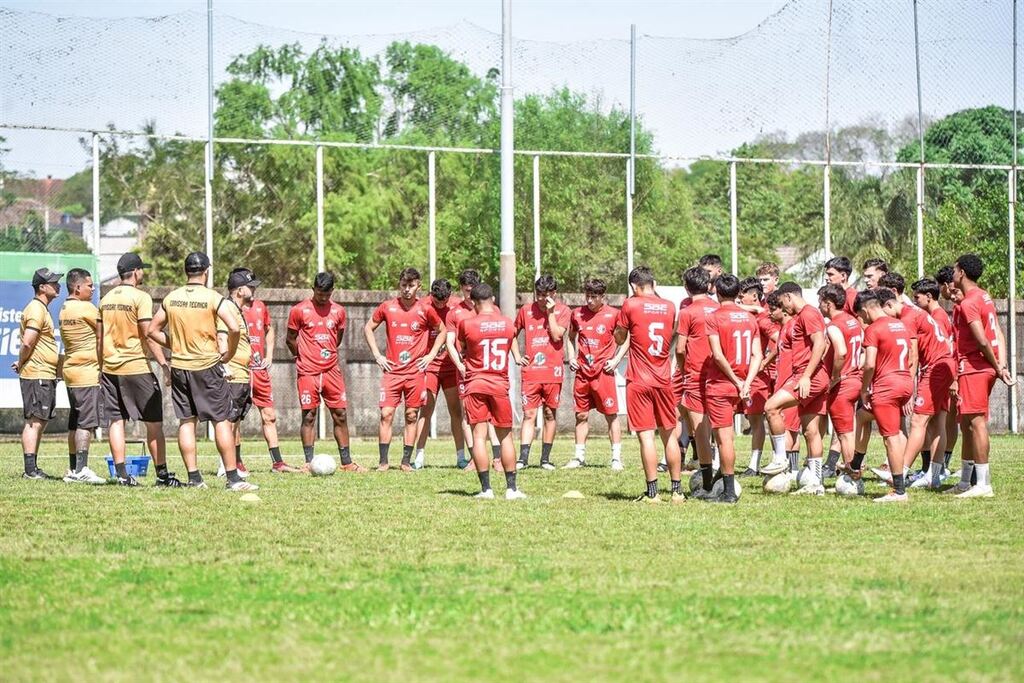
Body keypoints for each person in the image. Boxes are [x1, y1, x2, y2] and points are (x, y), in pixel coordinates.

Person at [148, 252, 257, 491]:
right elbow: (232, 326)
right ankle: (233, 478)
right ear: (206, 271)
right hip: (207, 367)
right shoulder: (212, 298)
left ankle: (195, 478)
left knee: (187, 421)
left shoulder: (172, 297)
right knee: (220, 421)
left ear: (186, 271)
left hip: (180, 367)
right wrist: (229, 352)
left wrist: (175, 344)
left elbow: (152, 331)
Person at [99, 253, 183, 488]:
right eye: (141, 270)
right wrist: (165, 363)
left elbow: (99, 337)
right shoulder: (141, 297)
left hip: (110, 368)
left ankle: (122, 475)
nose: (142, 273)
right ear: (135, 272)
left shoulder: (105, 299)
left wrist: (100, 366)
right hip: (136, 366)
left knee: (116, 421)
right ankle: (163, 476)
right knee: (154, 422)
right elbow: (149, 334)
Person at [450, 283, 527, 499]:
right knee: (505, 437)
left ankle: (486, 490)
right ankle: (512, 489)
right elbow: (509, 344)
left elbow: (463, 349)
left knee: (478, 436)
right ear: (493, 300)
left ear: (473, 302)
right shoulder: (507, 324)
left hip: (476, 384)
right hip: (499, 385)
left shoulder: (467, 324)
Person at [364, 268, 445, 472]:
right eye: (403, 285)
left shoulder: (426, 310)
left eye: (411, 286)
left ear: (419, 286)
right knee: (386, 413)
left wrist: (430, 355)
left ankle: (406, 461)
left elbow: (442, 331)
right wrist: (378, 355)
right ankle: (383, 462)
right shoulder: (387, 307)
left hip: (415, 373)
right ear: (399, 285)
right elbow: (368, 328)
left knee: (411, 415)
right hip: (392, 372)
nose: (407, 290)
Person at [613, 266, 683, 503]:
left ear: (634, 286)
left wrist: (622, 332)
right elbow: (671, 334)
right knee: (669, 435)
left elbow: (620, 337)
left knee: (646, 437)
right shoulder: (670, 306)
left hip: (639, 380)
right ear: (654, 283)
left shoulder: (631, 304)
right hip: (664, 379)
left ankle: (652, 493)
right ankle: (677, 491)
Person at [947, 254, 1014, 498]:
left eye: (955, 270)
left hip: (975, 367)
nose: (953, 274)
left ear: (962, 273)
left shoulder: (969, 302)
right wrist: (1002, 365)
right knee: (966, 424)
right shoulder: (983, 295)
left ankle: (983, 484)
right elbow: (997, 330)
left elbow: (983, 338)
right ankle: (965, 482)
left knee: (976, 423)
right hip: (980, 367)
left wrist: (998, 366)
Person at [286, 272, 362, 472]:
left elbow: (337, 338)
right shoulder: (299, 310)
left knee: (340, 414)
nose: (322, 298)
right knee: (309, 415)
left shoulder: (339, 311)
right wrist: (301, 357)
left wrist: (325, 354)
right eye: (319, 293)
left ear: (332, 292)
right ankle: (308, 462)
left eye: (326, 294)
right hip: (308, 372)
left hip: (331, 371)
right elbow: (290, 338)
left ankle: (347, 462)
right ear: (313, 290)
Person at [761, 282, 830, 494]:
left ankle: (781, 458)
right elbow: (824, 345)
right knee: (811, 431)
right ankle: (816, 483)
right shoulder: (802, 317)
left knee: (771, 407)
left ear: (789, 297)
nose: (783, 308)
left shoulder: (808, 313)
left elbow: (820, 343)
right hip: (812, 377)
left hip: (807, 378)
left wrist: (808, 375)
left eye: (782, 303)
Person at [234, 268, 303, 473]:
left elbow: (269, 328)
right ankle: (236, 463)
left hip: (260, 371)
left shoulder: (261, 307)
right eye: (251, 286)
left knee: (269, 415)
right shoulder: (228, 308)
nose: (254, 290)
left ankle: (277, 462)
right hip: (240, 371)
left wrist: (269, 355)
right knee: (234, 419)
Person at [702, 274, 763, 503]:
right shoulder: (749, 318)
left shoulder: (714, 317)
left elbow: (717, 355)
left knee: (724, 439)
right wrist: (746, 382)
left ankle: (728, 492)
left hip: (721, 385)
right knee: (728, 438)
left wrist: (736, 381)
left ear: (717, 293)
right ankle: (722, 477)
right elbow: (757, 354)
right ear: (739, 293)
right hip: (743, 385)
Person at [853, 289, 914, 502]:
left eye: (860, 316)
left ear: (865, 311)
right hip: (905, 382)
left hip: (886, 387)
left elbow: (869, 363)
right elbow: (911, 356)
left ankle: (899, 491)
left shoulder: (874, 329)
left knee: (891, 437)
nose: (861, 320)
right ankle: (854, 464)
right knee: (862, 416)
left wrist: (864, 389)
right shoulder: (900, 324)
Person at [563, 277, 626, 470]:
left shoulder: (614, 315)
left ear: (602, 297)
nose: (590, 300)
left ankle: (616, 458)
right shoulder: (577, 314)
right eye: (588, 296)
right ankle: (579, 457)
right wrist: (572, 358)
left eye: (594, 297)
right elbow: (570, 338)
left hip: (603, 374)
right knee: (581, 415)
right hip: (582, 373)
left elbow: (627, 338)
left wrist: (616, 361)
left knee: (611, 415)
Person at [902, 277, 956, 489]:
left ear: (929, 297)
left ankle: (901, 472)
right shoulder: (934, 315)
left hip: (937, 371)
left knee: (919, 422)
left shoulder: (937, 317)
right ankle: (933, 474)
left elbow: (946, 346)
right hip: (942, 370)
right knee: (937, 423)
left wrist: (953, 380)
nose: (914, 302)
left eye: (917, 298)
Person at [514, 274, 571, 470]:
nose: (540, 298)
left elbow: (556, 335)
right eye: (538, 294)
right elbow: (511, 334)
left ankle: (545, 459)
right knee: (529, 414)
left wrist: (551, 313)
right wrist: (517, 355)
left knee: (549, 413)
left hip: (552, 372)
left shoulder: (563, 311)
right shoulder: (525, 310)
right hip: (531, 372)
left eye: (545, 295)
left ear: (553, 294)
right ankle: (523, 458)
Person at [414, 278, 469, 469]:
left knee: (456, 411)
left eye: (444, 301)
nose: (441, 305)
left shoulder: (456, 307)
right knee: (426, 410)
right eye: (437, 302)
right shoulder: (421, 306)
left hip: (450, 366)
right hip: (429, 367)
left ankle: (461, 457)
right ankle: (419, 456)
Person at [58, 268, 106, 484]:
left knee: (75, 422)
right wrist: (103, 366)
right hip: (87, 372)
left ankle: (72, 468)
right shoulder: (87, 308)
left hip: (70, 371)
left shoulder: (64, 308)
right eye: (89, 285)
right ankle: (81, 470)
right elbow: (101, 337)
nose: (93, 288)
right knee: (86, 423)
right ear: (77, 287)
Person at [674, 266, 720, 495]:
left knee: (700, 429)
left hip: (695, 375)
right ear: (709, 286)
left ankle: (707, 479)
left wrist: (682, 370)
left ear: (686, 287)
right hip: (720, 374)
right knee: (721, 426)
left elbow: (680, 348)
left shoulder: (687, 312)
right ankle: (726, 473)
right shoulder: (718, 309)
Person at [14, 267, 63, 480]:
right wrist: (22, 361)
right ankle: (30, 470)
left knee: (40, 420)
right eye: (53, 282)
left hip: (43, 373)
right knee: (35, 421)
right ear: (42, 287)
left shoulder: (42, 309)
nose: (57, 285)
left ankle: (33, 467)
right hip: (37, 374)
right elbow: (27, 342)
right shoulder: (36, 309)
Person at [445, 269, 489, 469]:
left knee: (490, 411)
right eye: (466, 290)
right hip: (466, 369)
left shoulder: (489, 309)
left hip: (487, 369)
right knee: (466, 411)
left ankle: (495, 456)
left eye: (472, 290)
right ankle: (473, 457)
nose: (469, 295)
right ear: (461, 289)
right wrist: (460, 365)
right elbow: (450, 342)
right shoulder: (455, 313)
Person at [817, 284, 861, 478]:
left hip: (844, 383)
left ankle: (852, 474)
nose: (818, 306)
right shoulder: (853, 321)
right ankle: (852, 469)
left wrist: (835, 377)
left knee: (844, 432)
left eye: (820, 302)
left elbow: (841, 351)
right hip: (857, 379)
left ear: (828, 304)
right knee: (849, 429)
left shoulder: (834, 325)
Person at [738, 276, 775, 476]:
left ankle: (755, 464)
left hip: (757, 377)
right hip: (737, 374)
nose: (738, 300)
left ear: (754, 296)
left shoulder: (763, 318)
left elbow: (779, 341)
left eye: (741, 296)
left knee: (755, 419)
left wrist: (764, 363)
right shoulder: (748, 314)